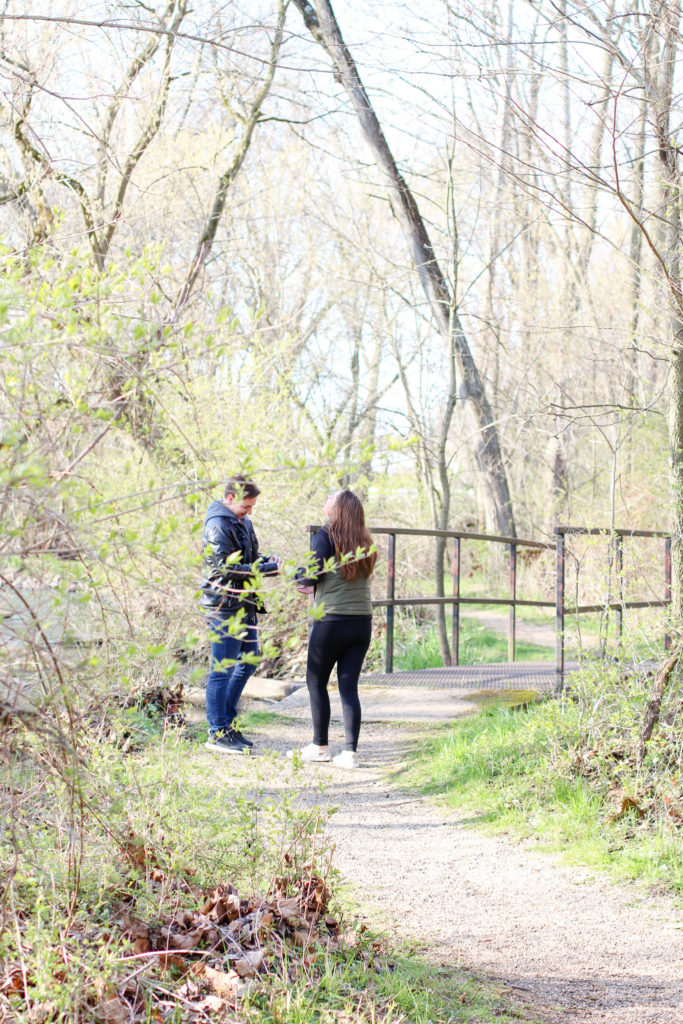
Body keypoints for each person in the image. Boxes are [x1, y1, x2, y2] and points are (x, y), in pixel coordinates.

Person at [292, 489, 377, 769]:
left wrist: (299, 577)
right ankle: (350, 754)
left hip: (332, 621)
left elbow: (314, 571)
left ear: (337, 507)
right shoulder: (365, 540)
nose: (325, 501)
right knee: (348, 687)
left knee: (316, 681)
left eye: (329, 497)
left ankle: (320, 746)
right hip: (361, 621)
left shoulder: (327, 534)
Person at [200, 475, 282, 753]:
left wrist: (267, 561)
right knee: (222, 670)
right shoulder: (217, 525)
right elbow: (223, 569)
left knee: (248, 663)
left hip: (245, 602)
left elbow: (249, 560)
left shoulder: (243, 521)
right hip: (224, 606)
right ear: (230, 498)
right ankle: (217, 732)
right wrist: (265, 570)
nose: (250, 511)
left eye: (252, 507)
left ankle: (227, 725)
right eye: (247, 506)